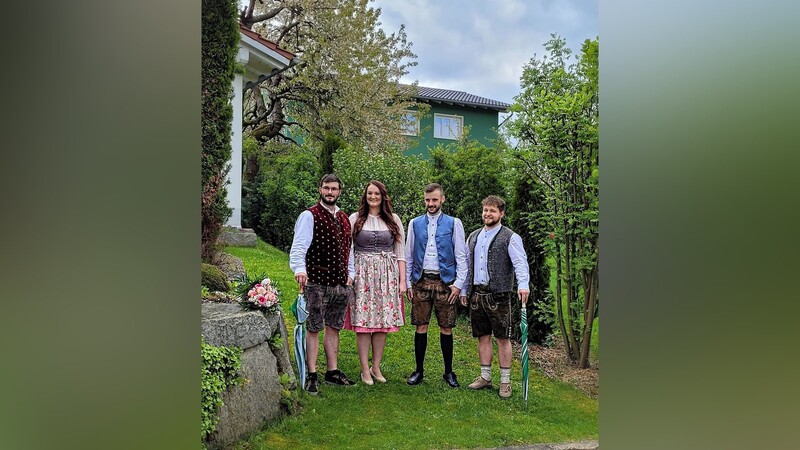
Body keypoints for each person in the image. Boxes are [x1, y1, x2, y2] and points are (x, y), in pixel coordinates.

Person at [289, 174, 356, 395]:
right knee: (314, 327)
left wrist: (351, 274)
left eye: (334, 189)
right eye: (326, 188)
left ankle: (332, 370)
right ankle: (311, 373)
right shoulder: (310, 216)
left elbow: (350, 250)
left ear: (339, 191)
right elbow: (299, 246)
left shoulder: (345, 218)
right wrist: (299, 269)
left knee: (334, 327)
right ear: (320, 189)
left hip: (340, 284)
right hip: (316, 282)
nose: (330, 192)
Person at [459, 195, 530, 399]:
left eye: (492, 211)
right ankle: (485, 377)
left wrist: (523, 285)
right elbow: (466, 265)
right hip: (477, 295)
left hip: (499, 295)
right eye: (485, 210)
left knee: (502, 338)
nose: (487, 214)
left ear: (501, 213)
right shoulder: (473, 236)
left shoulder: (510, 237)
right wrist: (464, 290)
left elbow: (520, 264)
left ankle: (505, 382)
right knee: (482, 336)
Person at [404, 183, 468, 388]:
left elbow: (461, 256)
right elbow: (408, 254)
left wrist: (459, 285)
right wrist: (407, 282)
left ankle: (449, 372)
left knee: (446, 327)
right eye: (427, 200)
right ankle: (419, 370)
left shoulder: (454, 223)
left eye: (434, 200)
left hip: (445, 282)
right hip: (421, 281)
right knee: (420, 325)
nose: (430, 204)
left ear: (442, 199)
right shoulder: (414, 223)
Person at [344, 180, 407, 385]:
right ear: (365, 196)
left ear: (383, 196)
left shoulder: (394, 219)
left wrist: (402, 281)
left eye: (377, 194)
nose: (373, 197)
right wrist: (350, 274)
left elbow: (401, 253)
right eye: (370, 193)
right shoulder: (355, 219)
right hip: (363, 275)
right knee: (364, 323)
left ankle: (376, 366)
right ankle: (364, 368)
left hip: (387, 275)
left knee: (382, 323)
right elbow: (348, 250)